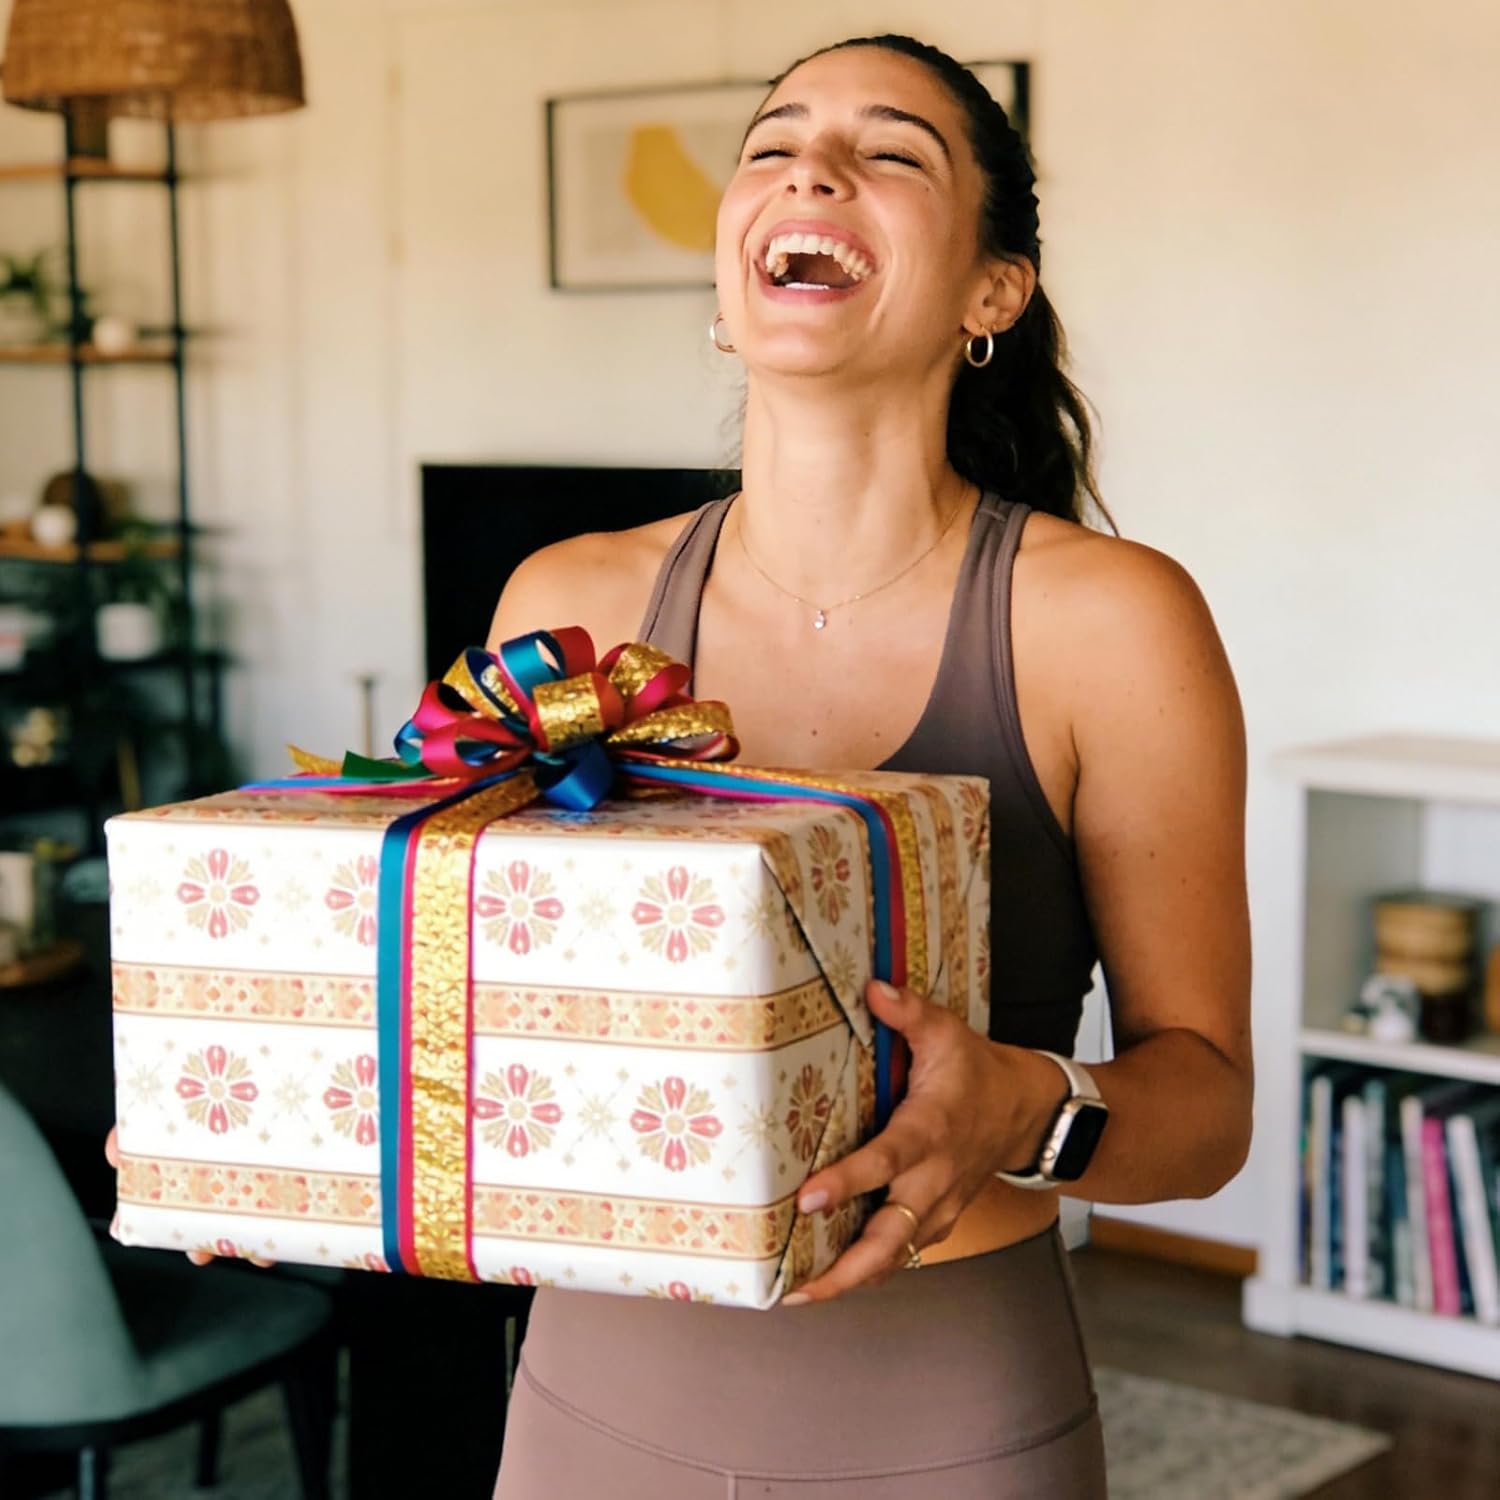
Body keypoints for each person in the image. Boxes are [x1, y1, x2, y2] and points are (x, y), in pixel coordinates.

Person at [485, 32, 1251, 1500]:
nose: (811, 170)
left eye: (891, 151)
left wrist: (1021, 1107)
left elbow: (1208, 1113)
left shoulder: (1113, 622)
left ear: (993, 292)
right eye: (771, 146)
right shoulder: (564, 603)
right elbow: (487, 1000)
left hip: (949, 1420)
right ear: (730, 276)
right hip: (588, 1400)